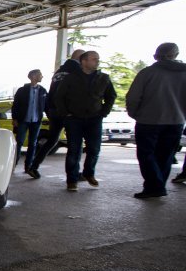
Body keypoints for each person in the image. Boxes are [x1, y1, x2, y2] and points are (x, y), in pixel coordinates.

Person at [125, 42, 186, 198]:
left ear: (157, 54)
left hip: (148, 121)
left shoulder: (147, 73)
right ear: (176, 55)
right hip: (176, 121)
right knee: (166, 155)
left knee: (146, 154)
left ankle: (155, 186)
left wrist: (134, 113)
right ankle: (157, 185)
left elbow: (133, 97)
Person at [55, 51, 117, 191]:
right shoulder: (71, 78)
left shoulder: (103, 78)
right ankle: (72, 180)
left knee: (94, 149)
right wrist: (66, 114)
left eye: (98, 59)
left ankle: (89, 173)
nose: (97, 62)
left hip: (94, 119)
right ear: (84, 61)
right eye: (94, 59)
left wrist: (103, 112)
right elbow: (59, 97)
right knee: (74, 150)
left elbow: (111, 96)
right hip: (74, 119)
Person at [28, 49, 85, 175]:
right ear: (81, 59)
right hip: (68, 112)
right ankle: (74, 174)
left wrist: (49, 110)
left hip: (54, 111)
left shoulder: (59, 71)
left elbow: (51, 92)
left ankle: (34, 166)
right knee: (75, 143)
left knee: (52, 140)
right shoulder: (77, 71)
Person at [11, 69, 47, 178]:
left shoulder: (43, 91)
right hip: (23, 120)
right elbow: (15, 105)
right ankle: (13, 165)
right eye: (40, 75)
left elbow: (47, 104)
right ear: (33, 76)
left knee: (33, 144)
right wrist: (15, 118)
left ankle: (28, 167)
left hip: (36, 121)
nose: (42, 76)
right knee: (19, 142)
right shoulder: (22, 90)